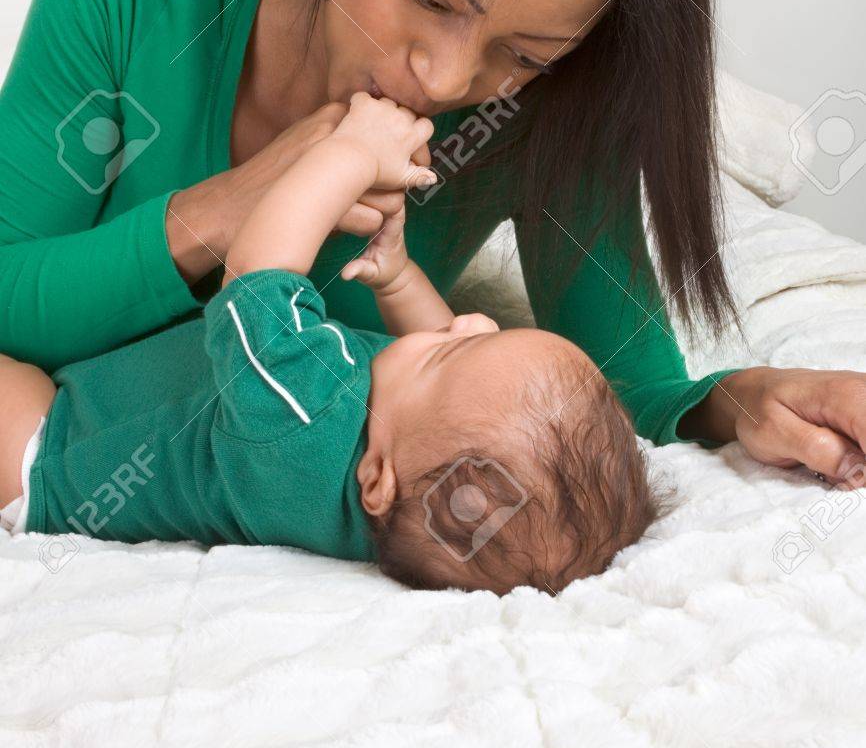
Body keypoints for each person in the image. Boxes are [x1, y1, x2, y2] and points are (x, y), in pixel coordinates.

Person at [1, 0, 865, 494]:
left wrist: (740, 402)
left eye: (524, 52)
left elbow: (627, 383)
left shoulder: (552, 109)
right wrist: (242, 204)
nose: (448, 81)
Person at [0, 94, 663, 595]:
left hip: (46, 456)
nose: (473, 321)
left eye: (454, 350)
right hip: (78, 406)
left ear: (376, 479)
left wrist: (350, 155)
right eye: (487, 331)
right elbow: (438, 356)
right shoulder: (402, 445)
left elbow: (257, 275)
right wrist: (400, 277)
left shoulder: (302, 427)